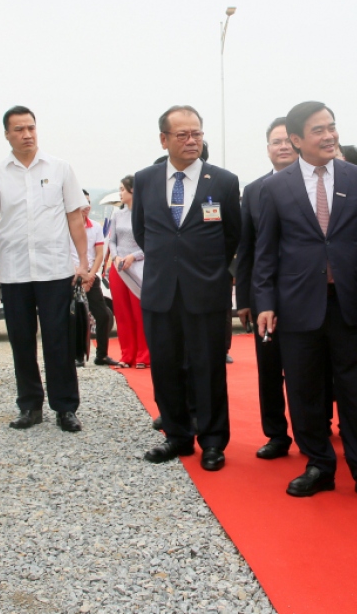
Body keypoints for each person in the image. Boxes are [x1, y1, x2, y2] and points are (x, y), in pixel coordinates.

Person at [254, 101, 357, 506]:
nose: (330, 136)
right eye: (319, 130)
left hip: (349, 300)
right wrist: (264, 302)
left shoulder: (355, 176)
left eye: (332, 127)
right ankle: (319, 464)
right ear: (297, 139)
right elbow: (265, 252)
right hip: (297, 305)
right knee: (304, 389)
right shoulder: (275, 187)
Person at [0, 106, 92, 433]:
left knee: (58, 342)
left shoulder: (60, 168)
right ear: (7, 134)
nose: (27, 135)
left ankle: (65, 408)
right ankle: (29, 406)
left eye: (31, 128)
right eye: (19, 129)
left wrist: (83, 262)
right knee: (21, 341)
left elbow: (75, 216)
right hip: (14, 272)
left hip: (54, 270)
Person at [133, 105, 241, 471]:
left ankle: (212, 442)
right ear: (164, 139)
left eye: (196, 133)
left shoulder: (223, 181)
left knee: (208, 368)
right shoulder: (146, 179)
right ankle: (177, 436)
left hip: (205, 291)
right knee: (165, 368)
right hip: (161, 291)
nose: (191, 140)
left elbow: (232, 235)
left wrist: (209, 270)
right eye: (182, 134)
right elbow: (142, 232)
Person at [235, 117, 298, 459]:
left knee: (310, 368)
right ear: (268, 148)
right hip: (265, 295)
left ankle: (315, 428)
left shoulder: (315, 183)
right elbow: (246, 248)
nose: (283, 146)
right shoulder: (254, 190)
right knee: (270, 368)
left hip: (306, 293)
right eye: (276, 141)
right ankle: (276, 434)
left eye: (288, 140)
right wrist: (245, 299)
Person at [108, 175, 150, 369]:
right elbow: (112, 240)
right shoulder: (117, 215)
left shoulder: (145, 214)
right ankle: (127, 355)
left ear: (133, 190)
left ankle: (143, 355)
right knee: (122, 313)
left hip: (138, 268)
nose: (120, 193)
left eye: (122, 189)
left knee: (139, 313)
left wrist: (133, 256)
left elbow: (150, 243)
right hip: (118, 268)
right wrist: (116, 256)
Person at [74, 191, 116, 367]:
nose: (87, 207)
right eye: (83, 203)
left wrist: (90, 275)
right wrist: (78, 274)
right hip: (71, 276)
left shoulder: (96, 228)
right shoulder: (66, 227)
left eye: (89, 203)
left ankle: (102, 355)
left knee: (103, 315)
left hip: (91, 276)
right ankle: (77, 356)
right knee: (74, 316)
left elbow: (99, 254)